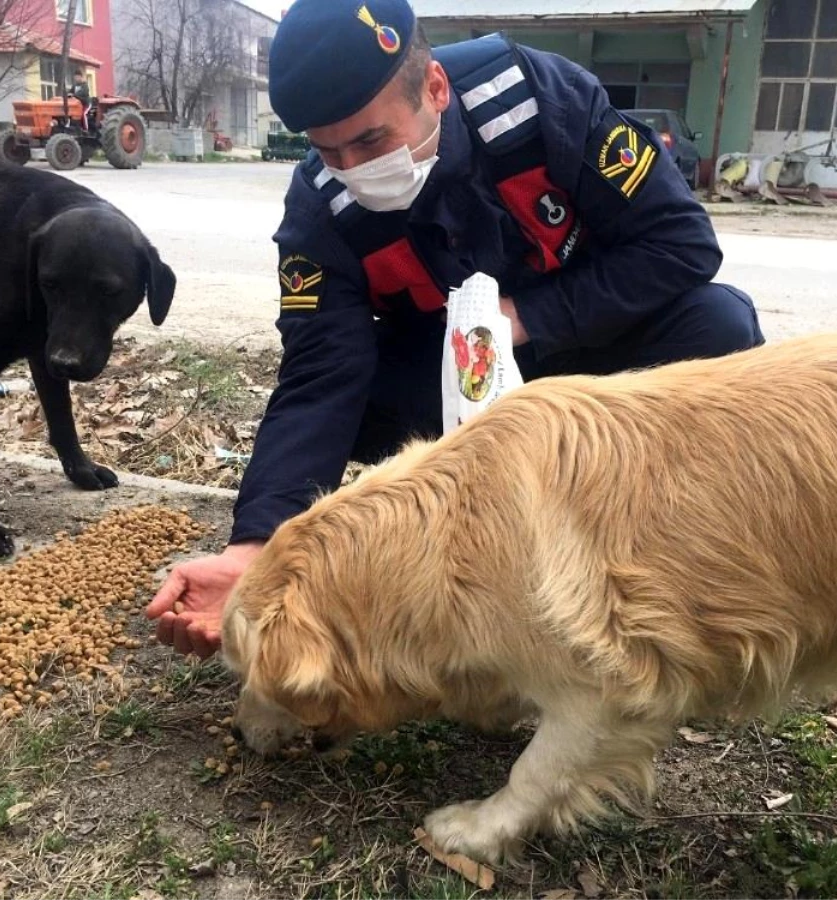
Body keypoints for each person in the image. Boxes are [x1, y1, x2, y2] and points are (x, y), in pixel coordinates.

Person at [145, 0, 765, 658]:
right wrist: (256, 546)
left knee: (720, 325)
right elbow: (320, 375)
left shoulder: (537, 104)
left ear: (434, 88)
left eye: (371, 142)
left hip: (590, 351)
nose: (354, 169)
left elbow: (680, 244)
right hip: (455, 382)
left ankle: (658, 541)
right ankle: (471, 538)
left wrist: (529, 319)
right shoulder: (321, 211)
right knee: (348, 411)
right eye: (330, 152)